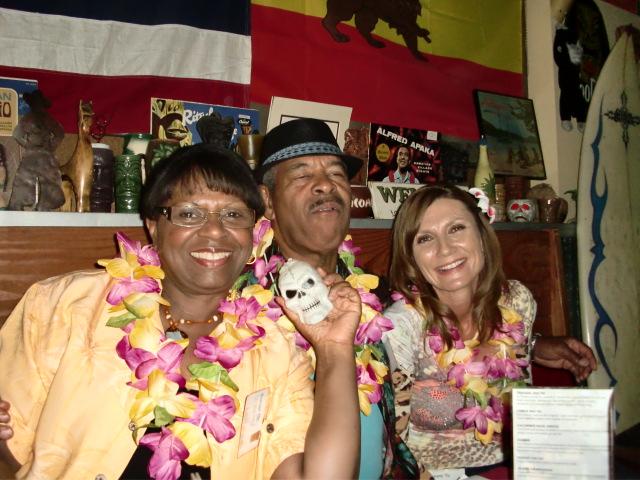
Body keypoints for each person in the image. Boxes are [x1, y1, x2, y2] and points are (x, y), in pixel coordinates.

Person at [0, 144, 361, 479]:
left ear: (253, 233)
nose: (215, 231)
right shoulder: (67, 305)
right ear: (154, 227)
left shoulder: (275, 350)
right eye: (189, 214)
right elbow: (15, 444)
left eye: (233, 214)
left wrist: (334, 350)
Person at [382, 184, 597, 477]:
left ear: (482, 236)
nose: (445, 249)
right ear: (410, 257)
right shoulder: (400, 328)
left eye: (456, 228)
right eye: (425, 238)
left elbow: (519, 399)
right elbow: (393, 446)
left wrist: (534, 345)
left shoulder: (517, 301)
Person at [251, 118, 419, 479]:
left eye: (336, 174)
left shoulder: (376, 295)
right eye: (302, 175)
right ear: (268, 201)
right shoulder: (243, 312)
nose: (326, 184)